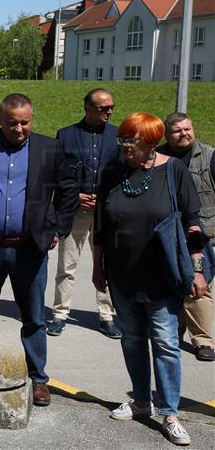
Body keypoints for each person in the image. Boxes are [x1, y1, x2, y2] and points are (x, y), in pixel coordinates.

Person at [0, 93, 78, 407]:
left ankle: (37, 379)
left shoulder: (49, 148)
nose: (19, 129)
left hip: (30, 249)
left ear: (31, 119)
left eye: (25, 122)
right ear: (0, 120)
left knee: (33, 317)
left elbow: (68, 192)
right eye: (12, 123)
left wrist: (57, 228)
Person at [92, 112, 206, 446]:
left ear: (151, 144)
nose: (125, 148)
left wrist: (197, 269)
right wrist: (98, 268)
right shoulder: (114, 171)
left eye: (132, 143)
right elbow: (101, 226)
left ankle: (170, 413)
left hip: (162, 278)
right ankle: (142, 401)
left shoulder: (174, 171)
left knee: (166, 344)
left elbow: (193, 223)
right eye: (123, 141)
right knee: (132, 340)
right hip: (123, 276)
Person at [48, 88, 121, 339]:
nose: (109, 112)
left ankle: (107, 315)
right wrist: (74, 195)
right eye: (104, 108)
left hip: (106, 212)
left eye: (111, 107)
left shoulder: (118, 136)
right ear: (88, 108)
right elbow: (56, 173)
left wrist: (106, 196)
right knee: (67, 265)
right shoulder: (66, 136)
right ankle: (60, 314)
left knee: (107, 264)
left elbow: (124, 173)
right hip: (74, 210)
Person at [157, 112, 215, 362]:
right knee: (171, 285)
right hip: (168, 233)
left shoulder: (210, 156)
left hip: (203, 234)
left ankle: (203, 340)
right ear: (167, 135)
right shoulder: (157, 157)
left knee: (199, 285)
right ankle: (174, 331)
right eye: (178, 131)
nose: (185, 134)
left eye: (188, 129)